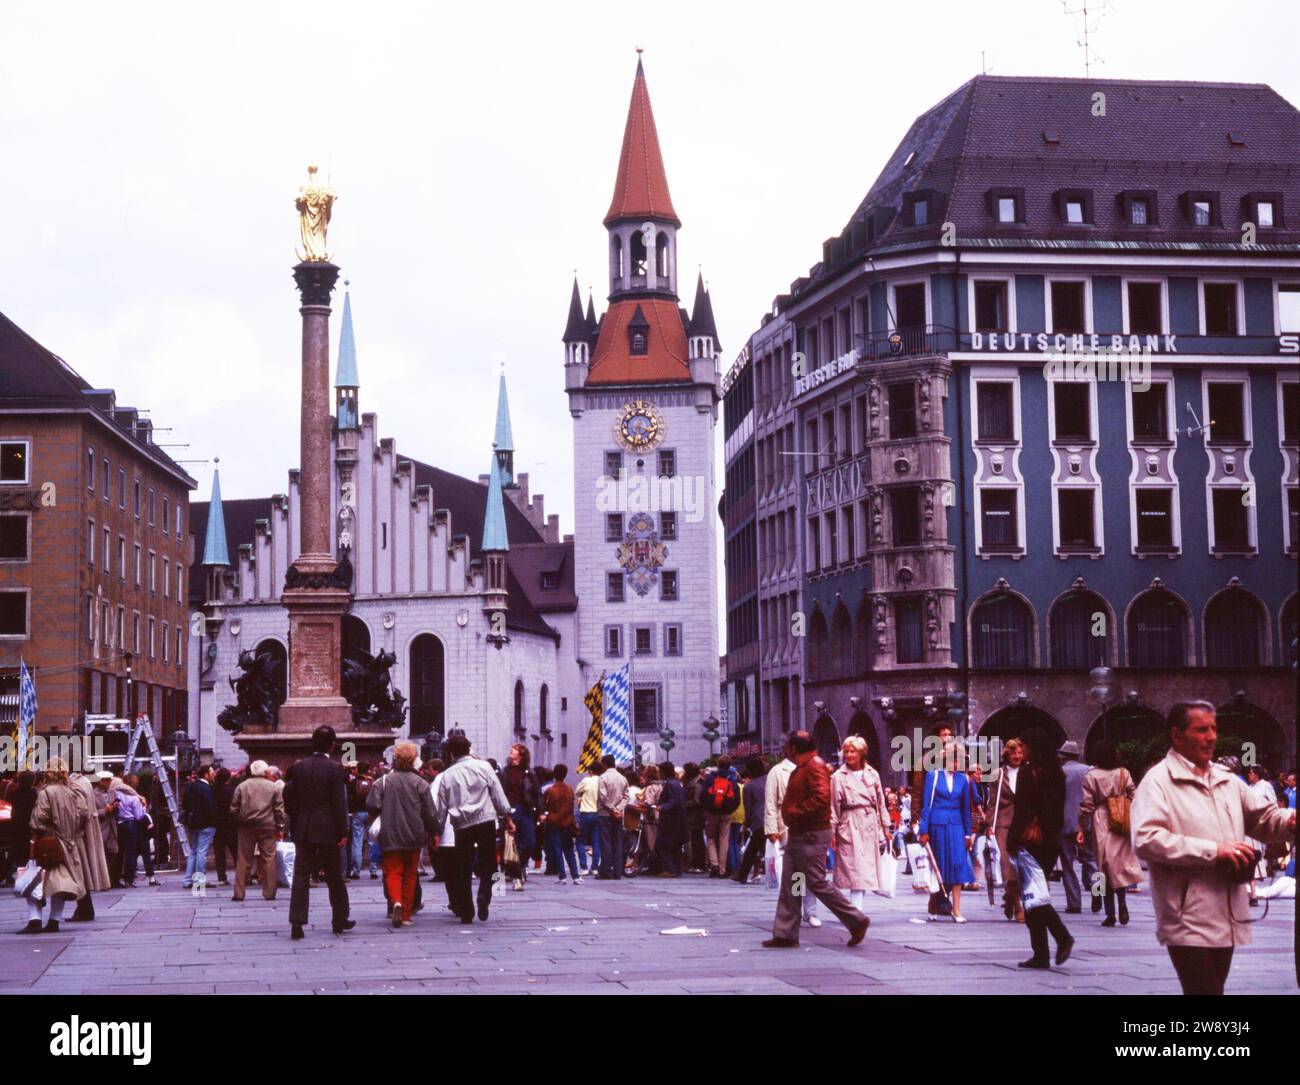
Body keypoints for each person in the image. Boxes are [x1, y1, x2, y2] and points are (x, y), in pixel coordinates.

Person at [1132, 701, 1296, 996]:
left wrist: (1290, 821)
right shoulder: (1158, 782)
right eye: (1201, 729)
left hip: (1228, 911)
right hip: (1186, 915)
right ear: (1177, 735)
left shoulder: (1227, 780)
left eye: (1214, 729)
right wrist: (1213, 851)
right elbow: (1147, 838)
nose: (1211, 736)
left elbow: (1261, 818)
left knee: (1212, 990)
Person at [762, 732, 870, 949]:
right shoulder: (806, 766)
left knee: (815, 881)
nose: (785, 751)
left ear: (793, 747)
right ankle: (785, 933)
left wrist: (795, 811)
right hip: (799, 833)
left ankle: (856, 920)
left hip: (811, 833)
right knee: (793, 881)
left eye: (787, 747)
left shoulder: (814, 765)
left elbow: (821, 797)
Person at [1008, 727, 1074, 969]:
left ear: (1031, 748)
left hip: (1030, 841)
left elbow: (1023, 810)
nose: (1021, 751)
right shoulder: (1057, 773)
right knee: (1036, 894)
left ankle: (1058, 938)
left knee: (1032, 897)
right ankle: (1042, 953)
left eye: (1023, 747)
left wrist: (1012, 840)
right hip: (1050, 841)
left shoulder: (1028, 772)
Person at [432, 732, 514, 923]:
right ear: (469, 749)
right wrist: (507, 815)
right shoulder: (484, 766)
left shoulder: (447, 775)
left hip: (461, 825)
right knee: (490, 864)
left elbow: (442, 808)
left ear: (451, 753)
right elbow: (497, 793)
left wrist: (436, 830)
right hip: (485, 821)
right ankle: (485, 894)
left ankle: (467, 910)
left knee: (463, 867)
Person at [284, 726, 355, 940]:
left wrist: (298, 820)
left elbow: (290, 798)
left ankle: (297, 921)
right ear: (332, 745)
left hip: (304, 826)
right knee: (334, 875)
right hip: (329, 828)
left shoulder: (298, 768)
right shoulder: (335, 769)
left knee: (301, 875)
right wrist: (343, 830)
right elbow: (338, 803)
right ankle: (339, 919)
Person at [367, 741, 439, 927]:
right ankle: (406, 915)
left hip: (390, 833)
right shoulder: (421, 783)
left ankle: (395, 902)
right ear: (414, 760)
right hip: (414, 834)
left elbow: (372, 805)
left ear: (395, 759)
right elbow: (429, 813)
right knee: (410, 874)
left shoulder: (382, 782)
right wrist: (434, 833)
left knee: (391, 871)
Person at [18, 759, 90, 934]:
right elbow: (83, 814)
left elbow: (39, 819)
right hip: (69, 844)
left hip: (47, 844)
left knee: (34, 880)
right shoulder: (73, 791)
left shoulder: (46, 792)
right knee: (60, 884)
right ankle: (54, 920)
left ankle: (34, 919)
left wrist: (35, 836)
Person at [1078, 739, 1141, 927]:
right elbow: (1134, 794)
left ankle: (1109, 912)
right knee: (1119, 866)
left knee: (1101, 867)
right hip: (1121, 820)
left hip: (1101, 820)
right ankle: (1122, 904)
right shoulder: (1123, 773)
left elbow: (1086, 804)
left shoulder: (1091, 776)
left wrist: (1081, 826)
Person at [765, 736, 820, 927]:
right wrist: (772, 829)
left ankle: (810, 911)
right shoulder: (777, 771)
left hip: (810, 826)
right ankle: (797, 910)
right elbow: (771, 803)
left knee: (812, 872)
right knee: (797, 873)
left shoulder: (812, 768)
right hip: (787, 827)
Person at [917, 738, 974, 922]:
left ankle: (956, 909)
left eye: (959, 760)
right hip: (937, 826)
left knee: (958, 865)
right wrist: (923, 830)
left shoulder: (963, 779)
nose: (956, 764)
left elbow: (966, 808)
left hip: (957, 826)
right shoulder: (933, 776)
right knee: (938, 866)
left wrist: (968, 833)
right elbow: (926, 805)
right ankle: (933, 902)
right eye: (952, 759)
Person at [229, 759, 286, 902]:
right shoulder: (273, 787)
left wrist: (238, 820)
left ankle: (239, 893)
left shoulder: (242, 786)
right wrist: (280, 826)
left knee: (243, 859)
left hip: (246, 826)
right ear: (265, 772)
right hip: (268, 826)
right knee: (269, 859)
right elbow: (279, 810)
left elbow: (233, 808)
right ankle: (269, 892)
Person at [1057, 741, 1097, 915]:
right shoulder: (1090, 771)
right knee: (1092, 859)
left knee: (1067, 863)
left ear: (1064, 757)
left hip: (1065, 822)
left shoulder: (1059, 772)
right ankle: (1098, 892)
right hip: (1087, 821)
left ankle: (1074, 904)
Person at [987, 738, 1024, 921]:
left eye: (1019, 752)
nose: (1017, 756)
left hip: (1024, 824)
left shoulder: (1029, 772)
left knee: (1022, 867)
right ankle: (1017, 906)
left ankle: (1010, 897)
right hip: (1003, 823)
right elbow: (992, 803)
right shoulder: (998, 774)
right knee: (1007, 866)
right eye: (1013, 753)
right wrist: (989, 826)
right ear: (1006, 755)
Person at [67, 771, 111, 922]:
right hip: (88, 830)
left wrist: (74, 828)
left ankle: (84, 910)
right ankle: (85, 909)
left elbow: (81, 810)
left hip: (80, 833)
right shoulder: (84, 781)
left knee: (81, 870)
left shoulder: (75, 783)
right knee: (84, 870)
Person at [499, 744, 539, 892]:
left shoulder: (529, 773)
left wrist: (540, 811)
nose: (511, 750)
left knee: (529, 842)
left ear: (521, 755)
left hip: (525, 809)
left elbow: (536, 792)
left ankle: (520, 866)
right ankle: (516, 877)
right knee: (511, 845)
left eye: (515, 749)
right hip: (509, 810)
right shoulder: (504, 772)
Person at [699, 755, 741, 877]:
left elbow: (703, 795)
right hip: (727, 812)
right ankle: (722, 869)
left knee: (711, 838)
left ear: (718, 764)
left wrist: (708, 808)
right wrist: (730, 809)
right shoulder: (732, 778)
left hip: (712, 812)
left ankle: (714, 864)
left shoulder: (711, 777)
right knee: (724, 839)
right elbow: (736, 798)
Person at [179, 765, 219, 891]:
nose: (214, 774)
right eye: (212, 772)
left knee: (194, 852)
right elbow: (210, 806)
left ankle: (188, 880)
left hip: (193, 823)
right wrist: (214, 820)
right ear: (206, 774)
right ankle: (199, 881)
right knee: (202, 852)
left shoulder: (191, 786)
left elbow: (184, 803)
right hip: (205, 824)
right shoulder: (206, 788)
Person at [113, 777, 158, 888]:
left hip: (119, 824)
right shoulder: (134, 798)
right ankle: (131, 879)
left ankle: (120, 878)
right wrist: (144, 808)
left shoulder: (116, 795)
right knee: (132, 853)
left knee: (120, 853)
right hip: (131, 824)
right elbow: (139, 816)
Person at [541, 763, 582, 884]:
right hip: (567, 822)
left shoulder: (551, 790)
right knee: (569, 850)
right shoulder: (569, 789)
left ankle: (562, 876)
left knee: (557, 849)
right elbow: (571, 805)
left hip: (554, 822)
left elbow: (546, 805)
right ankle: (575, 875)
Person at [734, 757, 769, 884]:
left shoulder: (749, 787)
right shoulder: (770, 781)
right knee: (757, 848)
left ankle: (742, 874)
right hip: (772, 819)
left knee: (756, 848)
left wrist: (746, 824)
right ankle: (743, 874)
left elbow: (748, 809)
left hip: (758, 821)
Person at [595, 755, 628, 879]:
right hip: (618, 814)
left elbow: (603, 797)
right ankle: (617, 871)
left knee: (606, 842)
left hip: (605, 813)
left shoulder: (603, 777)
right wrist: (619, 809)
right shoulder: (623, 778)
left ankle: (606, 870)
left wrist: (612, 809)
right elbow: (626, 796)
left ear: (604, 764)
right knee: (617, 842)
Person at [652, 760, 687, 876]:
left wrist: (662, 807)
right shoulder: (677, 783)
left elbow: (673, 801)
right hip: (679, 820)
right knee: (675, 846)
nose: (659, 774)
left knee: (661, 845)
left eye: (660, 771)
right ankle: (676, 869)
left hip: (670, 821)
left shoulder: (670, 784)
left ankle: (670, 869)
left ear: (664, 772)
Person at [90, 772, 120, 888]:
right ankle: (103, 881)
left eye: (109, 780)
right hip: (101, 828)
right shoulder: (93, 794)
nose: (108, 782)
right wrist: (104, 811)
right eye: (106, 780)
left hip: (112, 827)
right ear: (100, 781)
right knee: (102, 855)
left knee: (114, 852)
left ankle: (111, 879)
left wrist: (115, 807)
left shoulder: (113, 792)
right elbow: (91, 812)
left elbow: (116, 811)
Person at [211, 767, 237, 887]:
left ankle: (221, 877)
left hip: (217, 824)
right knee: (236, 851)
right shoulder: (232, 790)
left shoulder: (212, 789)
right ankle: (240, 876)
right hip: (231, 824)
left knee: (219, 853)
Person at [574, 765, 601, 875]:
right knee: (596, 841)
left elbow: (577, 791)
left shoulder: (586, 780)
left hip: (586, 813)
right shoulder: (602, 780)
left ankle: (584, 867)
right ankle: (594, 867)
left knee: (580, 841)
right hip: (598, 813)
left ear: (590, 771)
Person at [682, 763, 707, 872]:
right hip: (696, 816)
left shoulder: (697, 784)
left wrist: (684, 804)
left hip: (696, 816)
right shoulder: (696, 782)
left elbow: (696, 801)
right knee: (697, 840)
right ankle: (698, 864)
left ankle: (699, 864)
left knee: (697, 840)